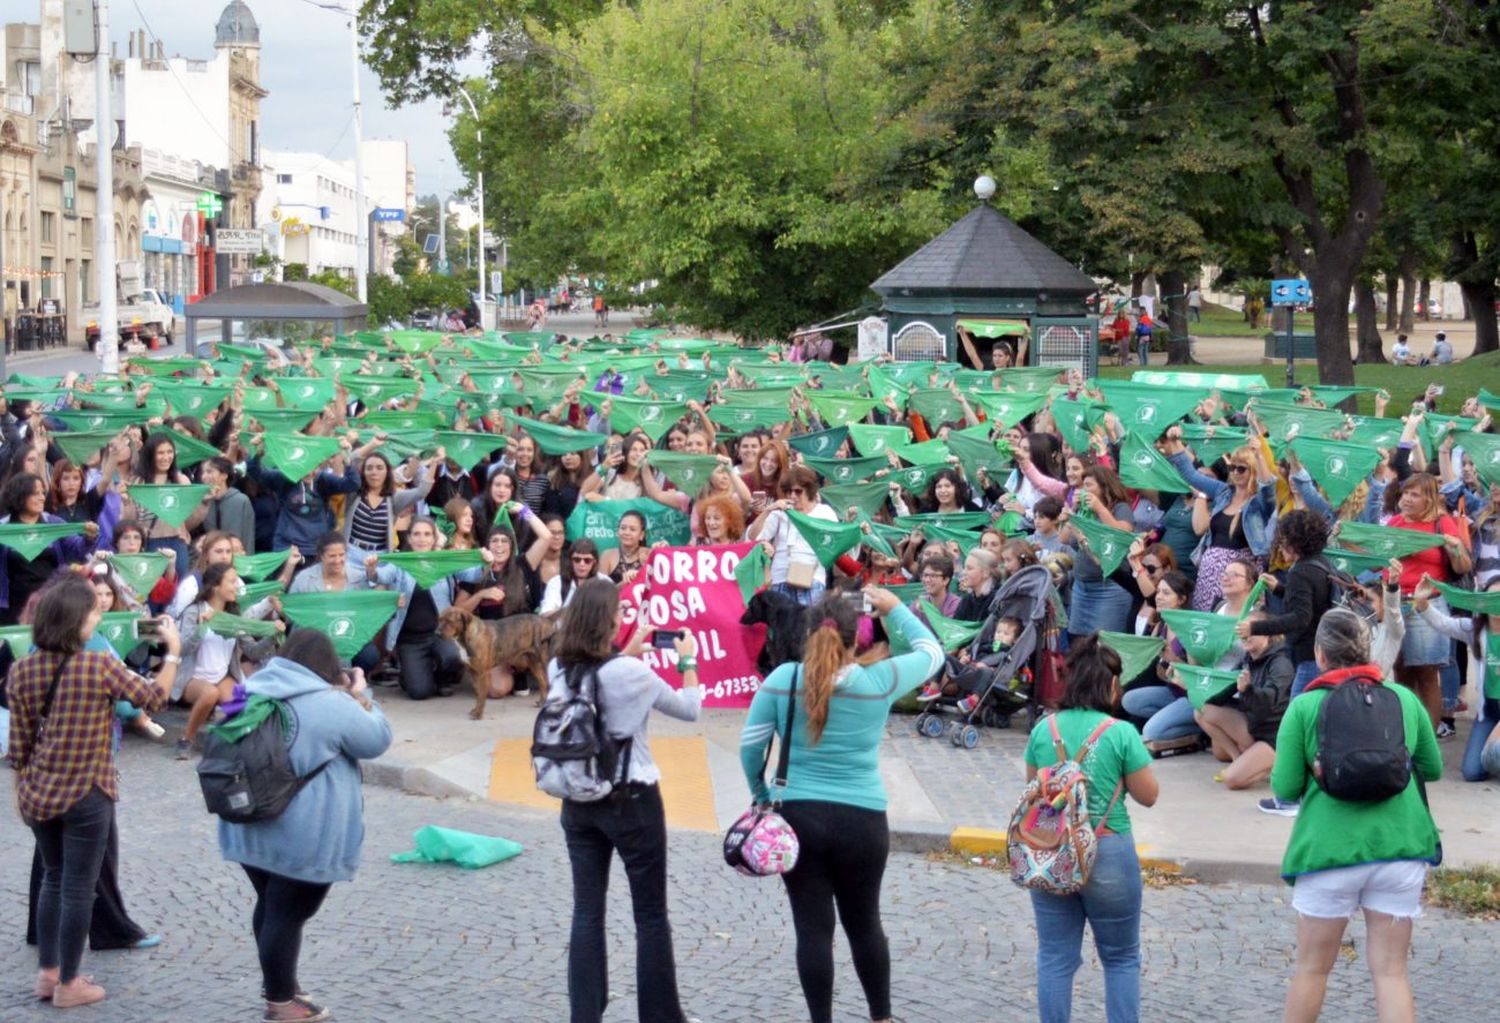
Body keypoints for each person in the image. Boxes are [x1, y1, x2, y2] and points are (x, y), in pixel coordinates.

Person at [739, 587, 944, 1023]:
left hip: (799, 817)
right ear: (857, 640)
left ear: (808, 633)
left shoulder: (783, 679)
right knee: (865, 923)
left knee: (813, 929)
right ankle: (882, 1017)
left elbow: (750, 748)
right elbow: (932, 652)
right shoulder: (881, 679)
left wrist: (761, 795)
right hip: (863, 821)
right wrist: (897, 609)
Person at [6, 575, 182, 1009]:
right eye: (93, 612)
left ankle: (47, 974)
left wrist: (19, 792)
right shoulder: (97, 665)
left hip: (40, 791)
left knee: (53, 878)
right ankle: (69, 983)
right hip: (87, 791)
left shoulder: (22, 669)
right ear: (76, 620)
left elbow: (20, 744)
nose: (98, 617)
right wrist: (173, 650)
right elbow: (155, 697)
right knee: (78, 889)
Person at [1270, 609, 1441, 1023]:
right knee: (1391, 972)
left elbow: (1284, 787)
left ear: (1320, 655)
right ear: (1369, 651)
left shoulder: (1305, 706)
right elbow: (1432, 768)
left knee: (1312, 969)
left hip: (1328, 850)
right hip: (1400, 847)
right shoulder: (1403, 699)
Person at [217, 629, 392, 1023]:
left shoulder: (250, 687)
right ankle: (281, 1002)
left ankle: (280, 984)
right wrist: (363, 694)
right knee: (289, 911)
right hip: (301, 833)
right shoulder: (329, 702)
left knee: (272, 904)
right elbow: (377, 738)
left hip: (247, 822)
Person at [552, 578, 703, 1023]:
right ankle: (661, 1016)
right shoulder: (631, 673)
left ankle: (586, 1014)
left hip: (578, 798)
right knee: (651, 915)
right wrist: (689, 660)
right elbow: (689, 707)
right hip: (631, 796)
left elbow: (599, 679)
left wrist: (626, 652)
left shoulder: (557, 667)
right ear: (610, 620)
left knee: (586, 910)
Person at [1024, 634, 1159, 1023]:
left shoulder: (1043, 730)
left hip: (1051, 848)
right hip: (1108, 850)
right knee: (1121, 958)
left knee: (1054, 956)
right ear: (1111, 684)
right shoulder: (1120, 733)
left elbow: (1033, 787)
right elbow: (1148, 796)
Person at [1196, 613, 1294, 789]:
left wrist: (1247, 689)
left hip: (1273, 736)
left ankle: (1275, 764)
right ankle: (1239, 758)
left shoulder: (1280, 663)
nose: (1245, 635)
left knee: (1232, 780)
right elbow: (1222, 694)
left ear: (1267, 633)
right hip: (1254, 726)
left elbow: (1270, 705)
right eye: (1242, 630)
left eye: (1251, 630)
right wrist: (1189, 686)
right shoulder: (1248, 659)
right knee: (1201, 710)